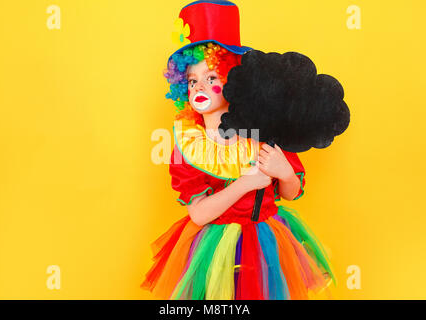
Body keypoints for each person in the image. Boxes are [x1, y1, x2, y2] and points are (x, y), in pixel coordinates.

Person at [141, 0, 334, 300]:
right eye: (192, 80)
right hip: (211, 248)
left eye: (211, 78)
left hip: (264, 242)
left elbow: (291, 192)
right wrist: (247, 182)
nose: (199, 87)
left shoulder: (264, 132)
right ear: (182, 86)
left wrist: (283, 172)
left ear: (233, 82)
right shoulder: (186, 144)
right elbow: (199, 213)